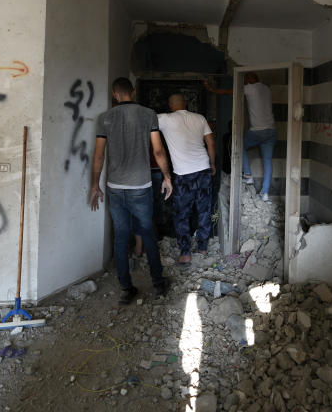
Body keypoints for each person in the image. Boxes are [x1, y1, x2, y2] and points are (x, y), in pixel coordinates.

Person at [90, 78, 172, 304]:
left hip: (115, 187)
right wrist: (167, 176)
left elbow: (99, 155)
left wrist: (95, 185)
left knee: (121, 236)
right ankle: (158, 283)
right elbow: (158, 151)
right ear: (133, 92)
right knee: (147, 233)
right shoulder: (148, 114)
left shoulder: (105, 119)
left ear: (115, 94)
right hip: (140, 187)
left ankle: (127, 288)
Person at [157, 93, 217, 264]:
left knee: (182, 214)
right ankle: (203, 248)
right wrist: (212, 163)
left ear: (170, 104)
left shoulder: (164, 118)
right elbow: (211, 143)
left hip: (183, 174)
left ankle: (185, 253)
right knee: (204, 210)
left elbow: (143, 121)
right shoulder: (200, 118)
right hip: (203, 169)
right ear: (186, 104)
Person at [205, 72, 276, 201]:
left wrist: (211, 89)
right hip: (271, 131)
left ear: (249, 79)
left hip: (257, 131)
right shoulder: (266, 88)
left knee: (238, 144)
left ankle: (248, 174)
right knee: (268, 161)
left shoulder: (249, 88)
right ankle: (265, 193)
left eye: (245, 80)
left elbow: (227, 91)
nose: (244, 82)